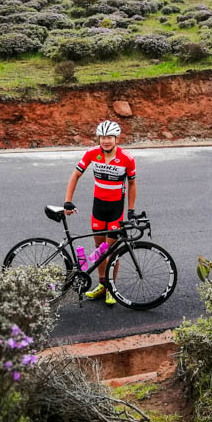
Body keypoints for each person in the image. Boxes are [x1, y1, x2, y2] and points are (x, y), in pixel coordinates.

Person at [63, 120, 137, 305]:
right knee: (99, 250)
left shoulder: (126, 158)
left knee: (110, 251)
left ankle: (111, 288)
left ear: (116, 138)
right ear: (99, 138)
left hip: (116, 209)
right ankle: (102, 285)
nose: (106, 141)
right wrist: (68, 200)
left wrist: (131, 210)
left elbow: (132, 184)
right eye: (103, 137)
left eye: (109, 137)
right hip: (99, 208)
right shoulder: (92, 154)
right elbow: (75, 175)